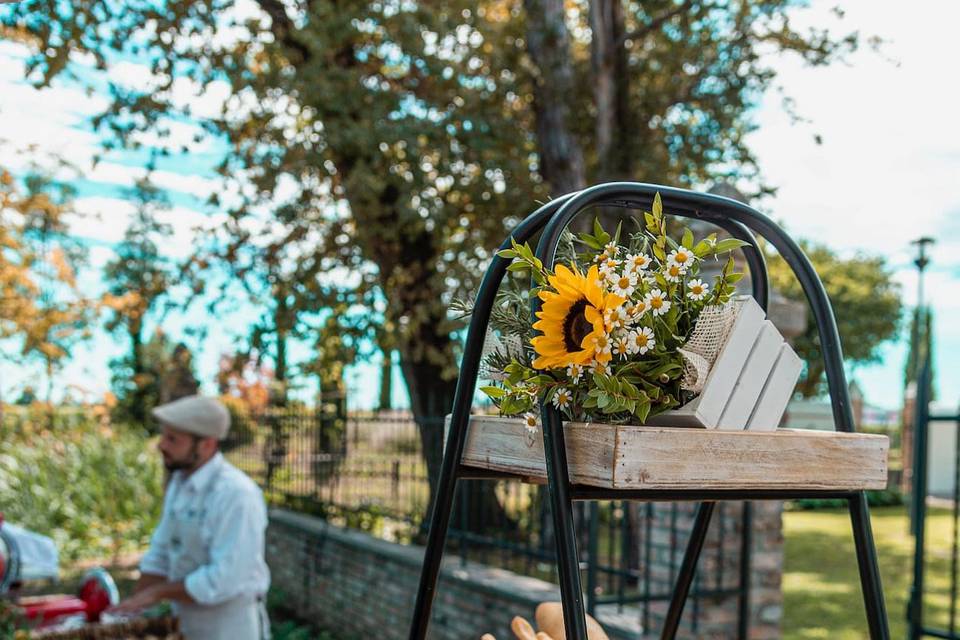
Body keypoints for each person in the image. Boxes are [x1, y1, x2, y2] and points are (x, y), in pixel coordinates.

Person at [112, 395, 271, 639]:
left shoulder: (237, 494)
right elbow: (162, 551)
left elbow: (224, 579)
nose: (161, 445)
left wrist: (159, 592)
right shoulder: (180, 481)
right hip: (186, 622)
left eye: (172, 439)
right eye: (164, 436)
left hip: (228, 627)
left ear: (207, 445)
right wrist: (128, 608)